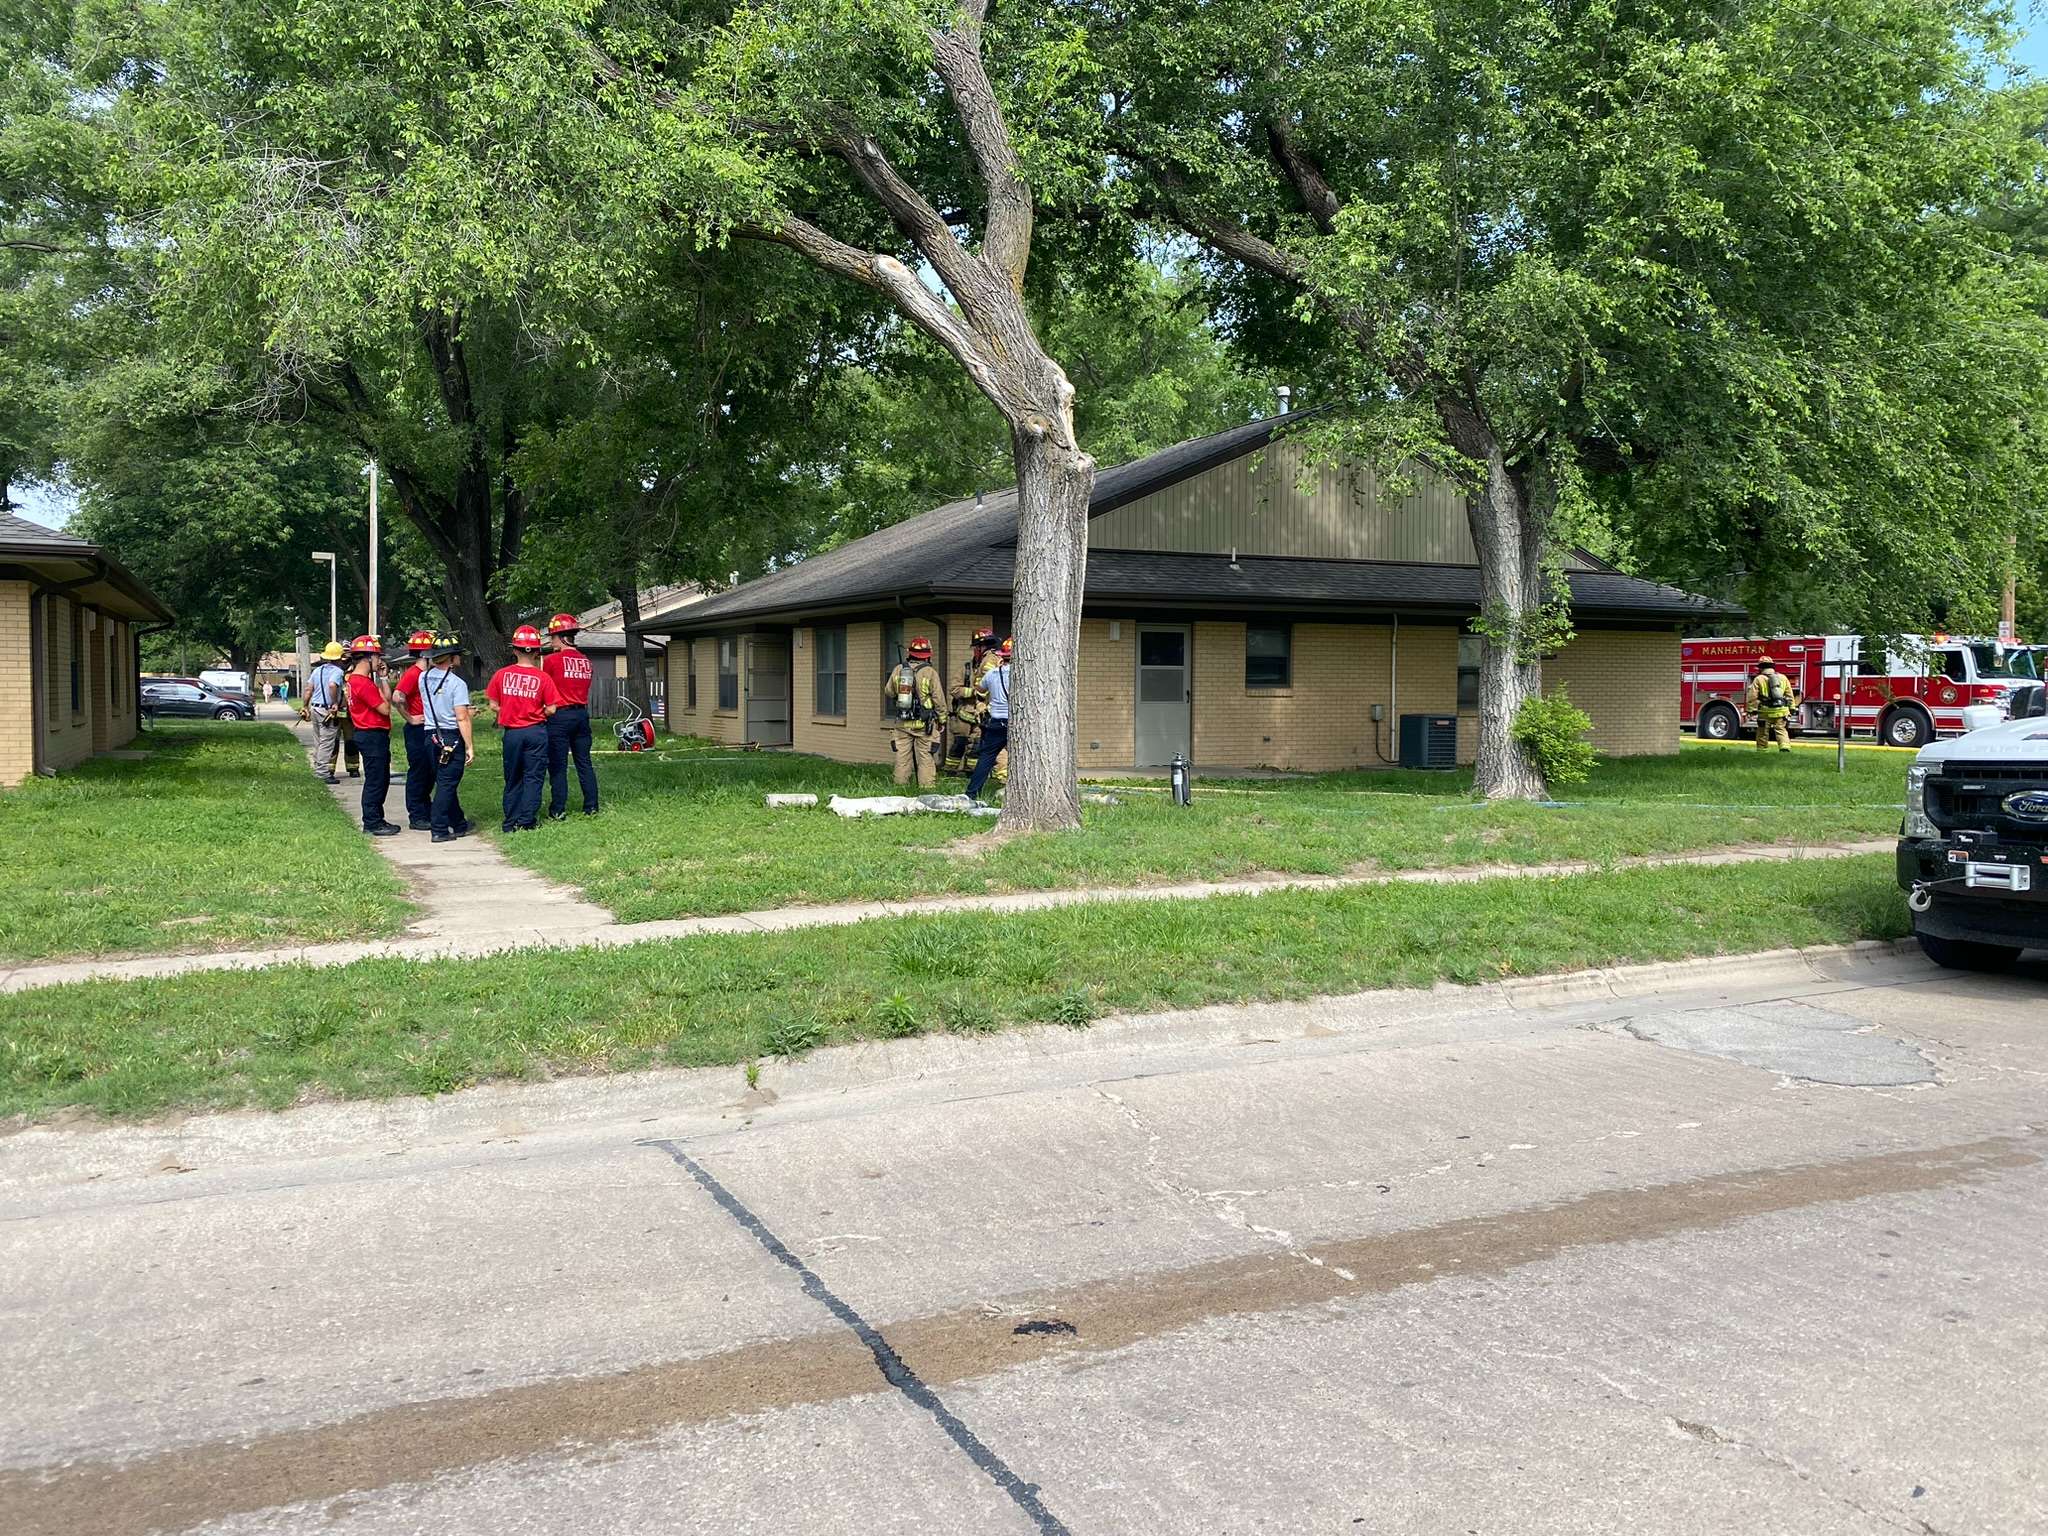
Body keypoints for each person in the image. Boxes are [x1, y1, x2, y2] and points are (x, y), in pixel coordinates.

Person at [484, 624, 561, 832]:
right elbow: (552, 709)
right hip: (536, 731)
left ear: (515, 650)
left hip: (512, 734)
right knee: (533, 777)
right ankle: (527, 821)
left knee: (513, 776)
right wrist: (538, 713)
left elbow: (492, 705)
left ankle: (510, 821)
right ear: (537, 652)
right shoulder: (543, 677)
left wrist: (508, 710)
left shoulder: (501, 675)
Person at [419, 635, 476, 842]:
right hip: (450, 736)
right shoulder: (457, 683)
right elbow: (461, 716)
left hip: (430, 734)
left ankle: (459, 823)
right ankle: (439, 828)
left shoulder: (422, 677)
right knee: (447, 784)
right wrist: (469, 746)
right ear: (451, 658)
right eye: (458, 655)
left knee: (444, 781)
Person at [541, 612, 599, 819]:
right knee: (584, 762)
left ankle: (558, 809)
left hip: (559, 716)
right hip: (582, 714)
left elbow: (544, 688)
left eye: (552, 636)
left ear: (561, 636)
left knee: (558, 765)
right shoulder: (586, 661)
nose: (550, 640)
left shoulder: (551, 661)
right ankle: (591, 806)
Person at [345, 635, 402, 836]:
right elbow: (386, 709)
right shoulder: (363, 683)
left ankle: (377, 818)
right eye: (377, 657)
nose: (379, 661)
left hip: (370, 734)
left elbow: (386, 699)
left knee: (381, 778)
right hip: (371, 735)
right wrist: (383, 697)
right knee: (376, 780)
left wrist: (384, 678)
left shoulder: (358, 681)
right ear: (367, 658)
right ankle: (372, 822)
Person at [392, 629, 440, 830]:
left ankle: (425, 810)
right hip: (417, 729)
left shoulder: (426, 674)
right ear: (425, 654)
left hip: (428, 728)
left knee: (429, 772)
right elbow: (397, 697)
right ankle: (417, 815)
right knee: (419, 772)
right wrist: (410, 718)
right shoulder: (414, 674)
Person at [883, 635, 944, 789]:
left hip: (903, 722)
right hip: (924, 724)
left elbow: (888, 691)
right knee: (925, 757)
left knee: (902, 757)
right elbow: (938, 699)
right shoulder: (930, 672)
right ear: (928, 655)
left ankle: (900, 788)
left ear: (909, 653)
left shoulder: (899, 669)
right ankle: (927, 790)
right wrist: (942, 719)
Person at [944, 627, 998, 774]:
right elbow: (954, 689)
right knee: (959, 744)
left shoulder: (991, 664)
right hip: (963, 715)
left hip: (981, 715)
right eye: (982, 647)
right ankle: (950, 772)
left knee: (975, 746)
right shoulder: (965, 669)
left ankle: (970, 773)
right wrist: (973, 692)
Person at [965, 637, 1012, 803]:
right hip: (1016, 725)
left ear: (1002, 657)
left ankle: (971, 794)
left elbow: (980, 690)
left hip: (996, 722)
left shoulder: (992, 673)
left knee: (986, 758)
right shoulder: (1024, 675)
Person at [302, 641, 349, 783]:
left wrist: (304, 706)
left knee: (318, 741)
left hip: (315, 708)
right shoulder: (338, 672)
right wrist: (335, 703)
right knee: (327, 743)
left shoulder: (318, 670)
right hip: (327, 711)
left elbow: (308, 689)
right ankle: (322, 773)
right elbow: (332, 685)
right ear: (340, 657)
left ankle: (317, 767)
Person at [1749, 654, 1798, 752]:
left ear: (1761, 668)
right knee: (1781, 730)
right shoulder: (1783, 677)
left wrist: (1752, 709)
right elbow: (1789, 694)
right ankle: (1785, 747)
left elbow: (1752, 696)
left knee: (1762, 732)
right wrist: (1792, 707)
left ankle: (1762, 749)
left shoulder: (1759, 679)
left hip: (1765, 711)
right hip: (1782, 710)